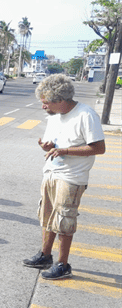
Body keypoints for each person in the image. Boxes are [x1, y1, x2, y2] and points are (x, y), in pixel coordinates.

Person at [23, 74, 106, 280]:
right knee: (47, 216)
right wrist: (49, 147)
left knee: (64, 221)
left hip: (71, 177)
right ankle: (45, 255)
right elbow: (57, 143)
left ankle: (63, 264)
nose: (43, 107)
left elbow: (99, 147)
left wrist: (65, 151)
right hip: (52, 172)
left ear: (61, 101)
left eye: (46, 102)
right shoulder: (54, 116)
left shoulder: (85, 115)